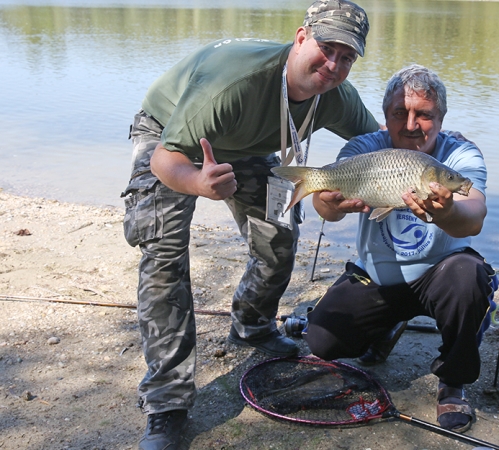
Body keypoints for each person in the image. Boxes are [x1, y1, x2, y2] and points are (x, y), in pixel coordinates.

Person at [120, 1, 378, 449]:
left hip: (248, 145)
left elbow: (377, 146)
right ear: (301, 38)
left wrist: (431, 163)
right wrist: (199, 183)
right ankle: (167, 402)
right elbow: (166, 159)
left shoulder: (335, 93)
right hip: (171, 139)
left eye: (347, 56)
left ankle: (252, 324)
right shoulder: (234, 84)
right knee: (164, 255)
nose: (334, 64)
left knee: (279, 237)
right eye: (326, 47)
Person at [304, 64, 495, 434]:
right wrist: (328, 202)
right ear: (385, 116)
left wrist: (449, 211)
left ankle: (453, 382)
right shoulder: (364, 148)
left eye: (424, 114)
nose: (411, 125)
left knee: (468, 274)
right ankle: (387, 326)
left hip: (441, 277)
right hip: (378, 278)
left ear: (440, 118)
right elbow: (325, 208)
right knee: (321, 341)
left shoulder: (459, 155)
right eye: (399, 114)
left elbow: (474, 217)